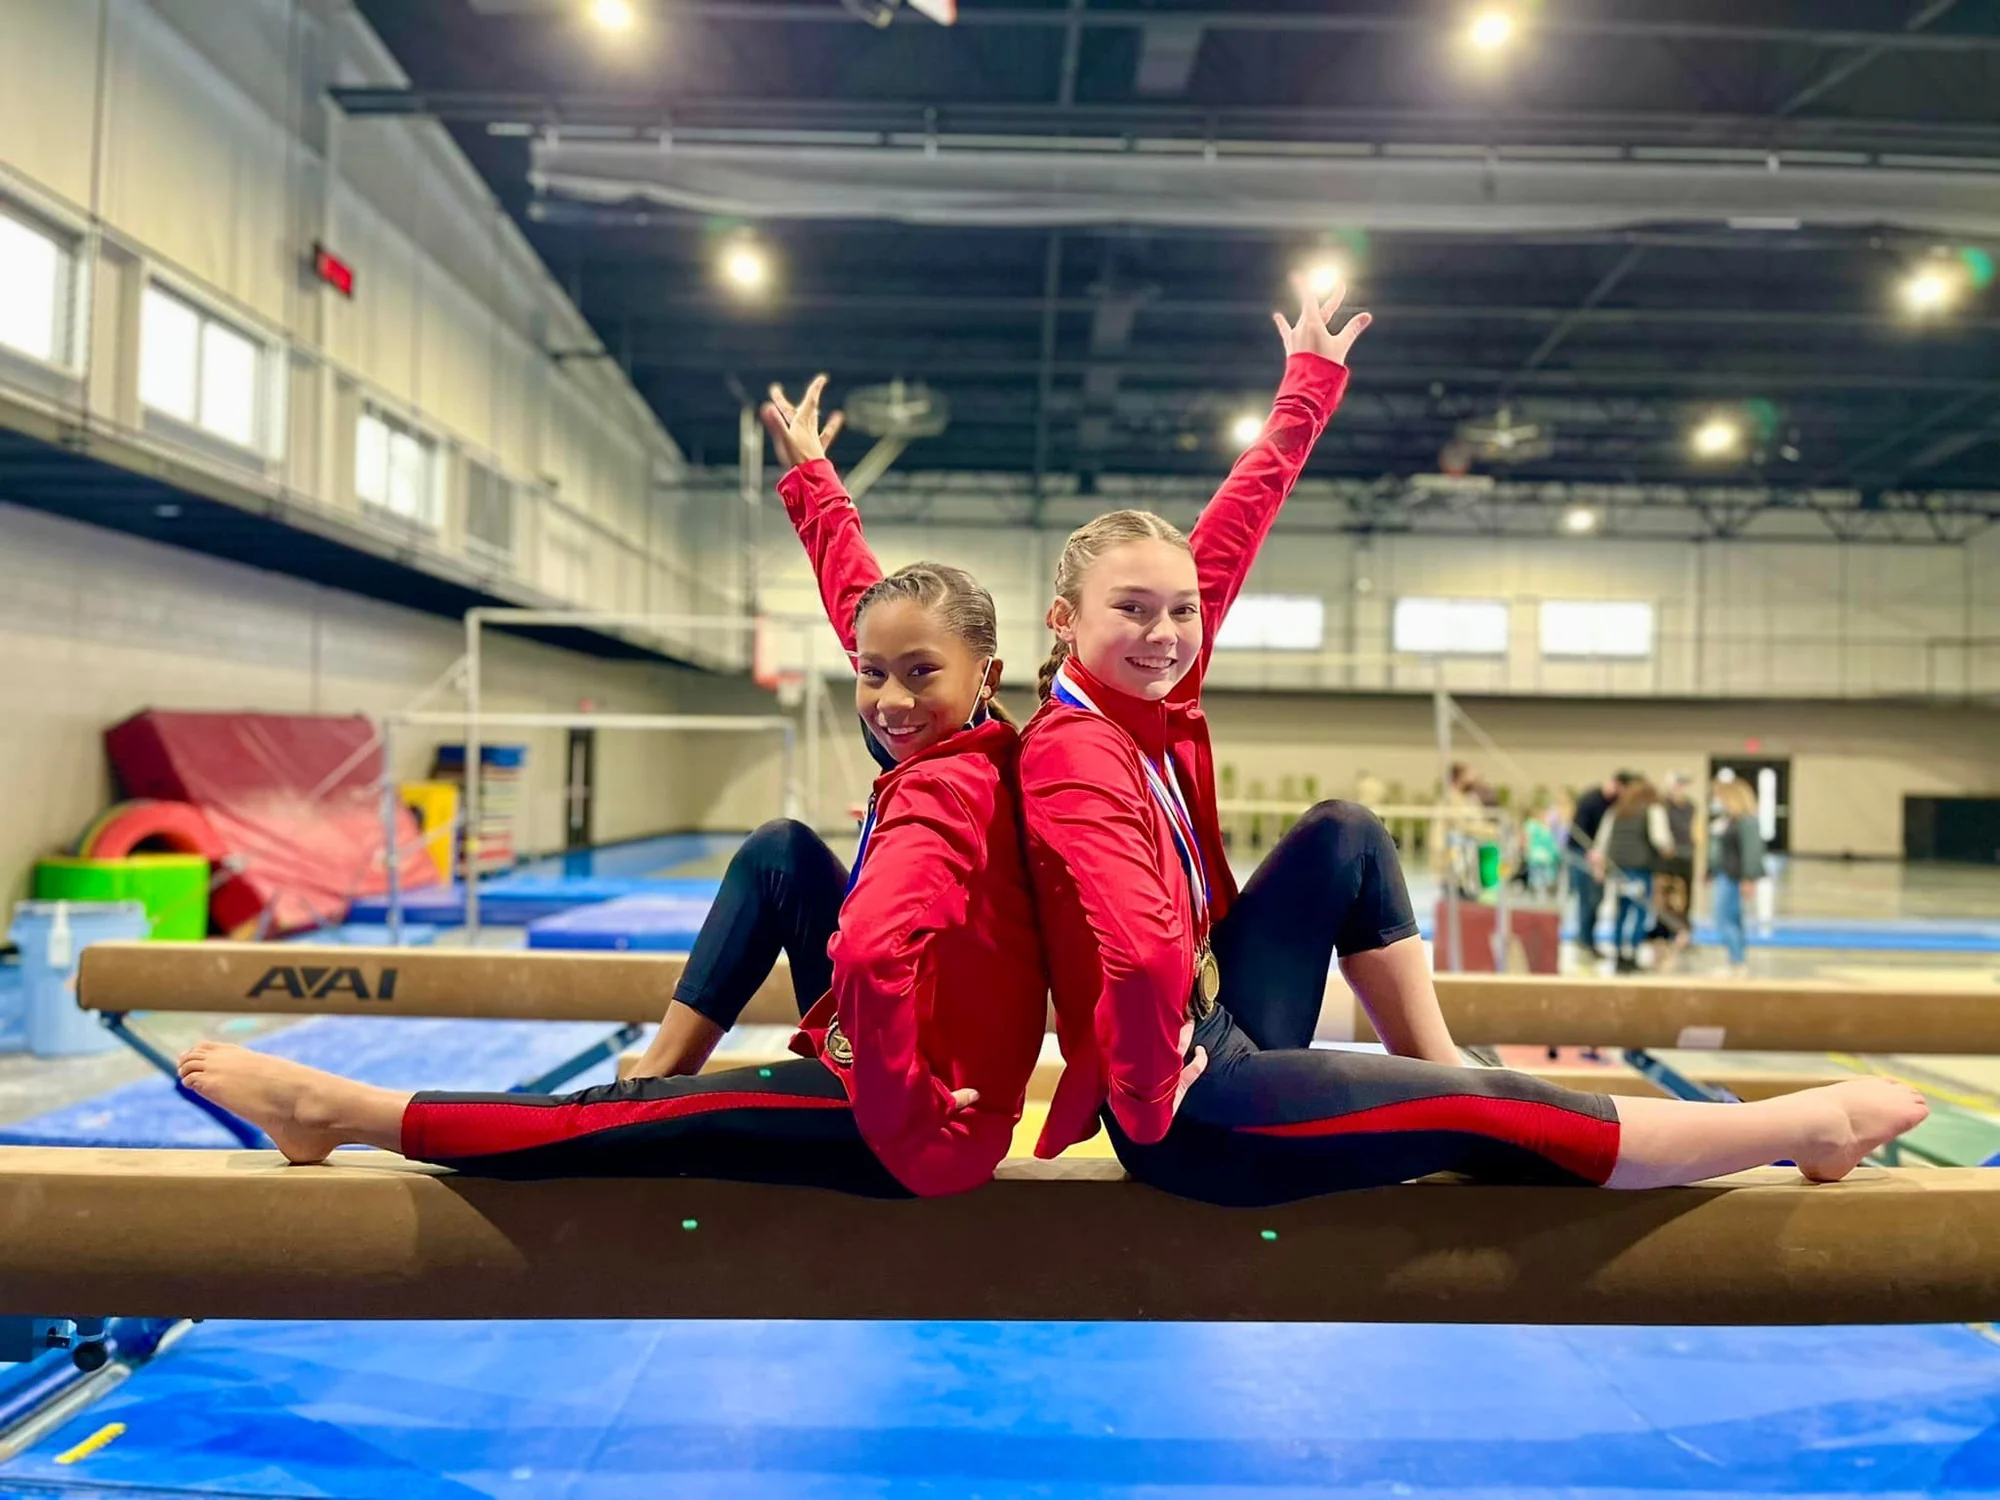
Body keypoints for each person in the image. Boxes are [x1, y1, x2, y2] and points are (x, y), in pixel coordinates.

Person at [1014, 277, 1926, 1206]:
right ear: (1064, 619)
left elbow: (1230, 536)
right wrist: (1144, 1085)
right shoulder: (1076, 751)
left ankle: (1437, 1059)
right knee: (1496, 1112)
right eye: (1132, 611)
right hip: (1194, 1104)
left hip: (1220, 1010)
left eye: (1181, 611)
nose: (1165, 633)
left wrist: (1306, 392)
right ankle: (1799, 1127)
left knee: (1346, 834)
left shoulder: (1143, 690)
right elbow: (1132, 949)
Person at [176, 376, 1048, 1200]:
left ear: (986, 674)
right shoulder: (961, 737)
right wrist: (816, 484)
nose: (890, 701)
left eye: (918, 675)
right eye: (872, 673)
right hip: (919, 1065)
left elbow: (867, 954)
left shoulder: (942, 794)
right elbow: (869, 606)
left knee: (632, 1126)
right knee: (780, 852)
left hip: (911, 1120)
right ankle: (665, 1058)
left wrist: (898, 1102)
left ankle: (343, 1113)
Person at [1595, 777, 1674, 974]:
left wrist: (1601, 865)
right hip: (1639, 868)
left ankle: (1619, 953)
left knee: (1621, 911)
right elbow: (1661, 840)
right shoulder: (1652, 810)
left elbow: (1602, 841)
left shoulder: (1616, 811)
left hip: (1617, 869)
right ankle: (1632, 951)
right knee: (1639, 912)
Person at [1567, 772, 1628, 961]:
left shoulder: (1614, 804)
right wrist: (1590, 852)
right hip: (1580, 853)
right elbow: (1577, 829)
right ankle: (1584, 941)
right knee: (1587, 898)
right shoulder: (1591, 800)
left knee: (1597, 898)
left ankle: (1588, 940)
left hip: (1598, 855)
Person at [1711, 776, 1767, 977]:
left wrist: (1749, 878)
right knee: (1731, 919)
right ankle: (1735, 959)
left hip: (1734, 877)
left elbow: (1753, 852)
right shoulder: (1728, 820)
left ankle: (1737, 961)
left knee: (1724, 920)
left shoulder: (1747, 821)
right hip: (1725, 874)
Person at [1647, 772, 1699, 968]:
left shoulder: (1690, 807)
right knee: (1663, 896)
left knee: (1684, 898)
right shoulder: (1661, 806)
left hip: (1686, 857)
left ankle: (1683, 931)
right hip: (1666, 858)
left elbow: (1693, 830)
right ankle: (1662, 931)